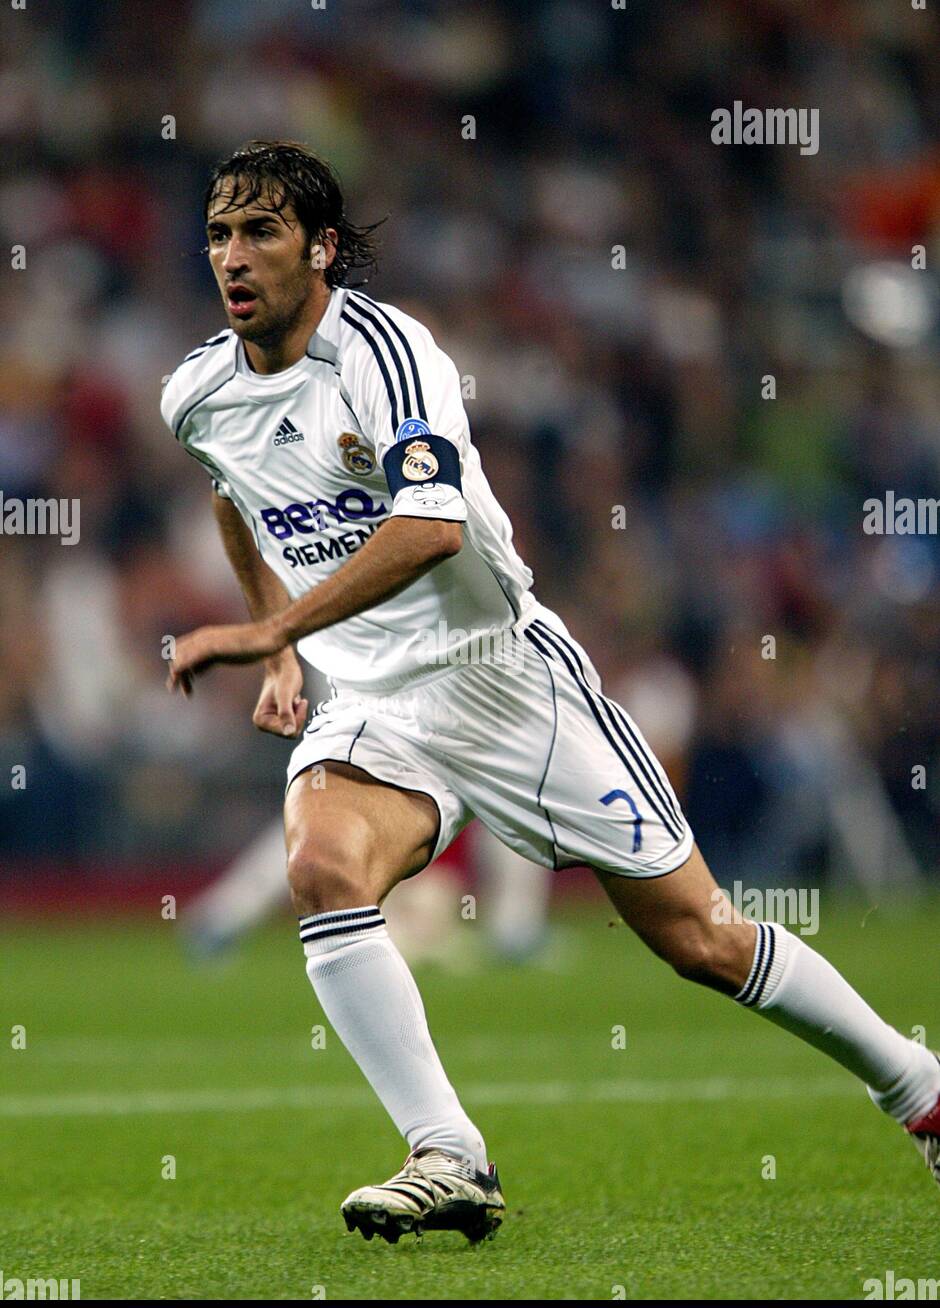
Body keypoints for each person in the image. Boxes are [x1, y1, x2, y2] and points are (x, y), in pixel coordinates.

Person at [162, 140, 939, 1246]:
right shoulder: (195, 393)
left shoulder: (387, 353)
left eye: (262, 231)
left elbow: (430, 529)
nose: (233, 257)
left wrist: (273, 625)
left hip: (508, 681)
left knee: (703, 939)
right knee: (320, 864)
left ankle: (917, 1086)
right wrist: (287, 655)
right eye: (218, 234)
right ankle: (449, 1152)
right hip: (377, 697)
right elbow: (232, 493)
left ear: (322, 247)